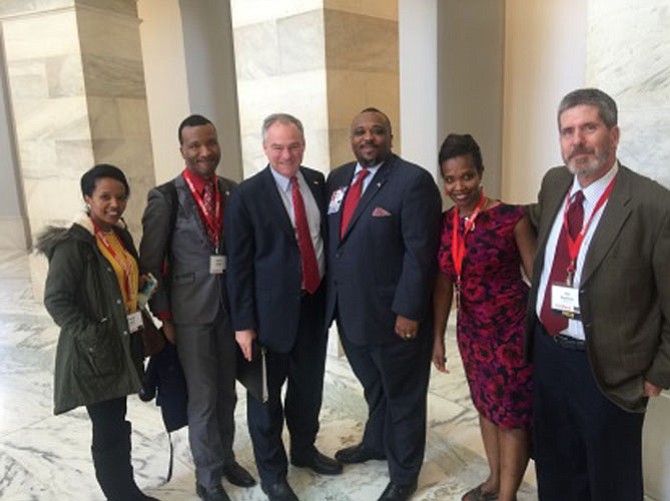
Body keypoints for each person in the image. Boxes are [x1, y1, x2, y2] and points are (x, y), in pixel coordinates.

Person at [526, 88, 670, 500]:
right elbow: (533, 223)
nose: (578, 141)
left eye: (589, 127)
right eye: (568, 131)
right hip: (549, 356)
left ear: (614, 134)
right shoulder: (555, 183)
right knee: (555, 468)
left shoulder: (653, 206)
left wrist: (657, 374)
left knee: (611, 481)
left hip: (609, 371)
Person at [326, 108, 442, 501]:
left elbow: (419, 253)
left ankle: (404, 473)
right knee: (374, 388)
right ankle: (375, 442)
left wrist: (409, 311)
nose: (368, 138)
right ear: (351, 138)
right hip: (350, 314)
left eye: (377, 131)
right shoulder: (338, 179)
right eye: (360, 132)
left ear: (390, 137)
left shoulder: (413, 181)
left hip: (395, 318)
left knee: (404, 396)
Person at [225, 113, 342, 501]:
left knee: (308, 389)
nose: (286, 154)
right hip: (267, 318)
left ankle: (304, 450)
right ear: (264, 148)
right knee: (266, 399)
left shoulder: (316, 182)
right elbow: (238, 266)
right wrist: (243, 324)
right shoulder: (246, 195)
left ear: (304, 145)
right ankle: (273, 474)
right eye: (277, 147)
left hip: (313, 306)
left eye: (293, 146)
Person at [139, 115, 254, 501]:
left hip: (231, 312)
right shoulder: (165, 197)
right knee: (203, 399)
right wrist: (165, 316)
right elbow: (150, 265)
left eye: (210, 142)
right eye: (195, 145)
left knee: (227, 393)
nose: (205, 152)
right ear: (182, 150)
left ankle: (224, 458)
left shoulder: (233, 191)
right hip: (189, 315)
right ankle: (207, 478)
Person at [37, 164, 159, 500]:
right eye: (105, 196)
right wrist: (92, 335)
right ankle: (120, 494)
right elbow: (56, 300)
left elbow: (129, 283)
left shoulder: (119, 234)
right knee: (108, 427)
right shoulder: (74, 244)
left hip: (123, 343)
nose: (114, 204)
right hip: (96, 352)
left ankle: (126, 488)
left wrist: (144, 292)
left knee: (117, 421)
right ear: (87, 197)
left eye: (120, 197)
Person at [432, 134, 536, 501]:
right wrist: (437, 337)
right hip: (472, 331)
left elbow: (537, 280)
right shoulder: (446, 224)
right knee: (486, 406)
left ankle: (507, 496)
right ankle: (493, 480)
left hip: (510, 332)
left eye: (467, 176)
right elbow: (444, 282)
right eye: (450, 179)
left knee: (511, 416)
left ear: (481, 174)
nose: (459, 186)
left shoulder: (511, 218)